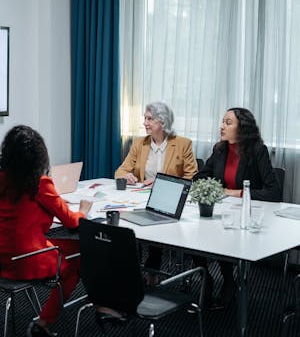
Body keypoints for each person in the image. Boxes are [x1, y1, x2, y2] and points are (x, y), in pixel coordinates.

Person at [0, 125, 92, 337]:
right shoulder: (40, 184)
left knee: (78, 247)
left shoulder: (0, 179)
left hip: (2, 256)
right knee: (76, 262)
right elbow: (72, 221)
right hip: (28, 259)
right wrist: (83, 211)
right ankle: (44, 322)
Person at [193, 107, 282, 308]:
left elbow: (274, 192)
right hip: (222, 210)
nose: (221, 126)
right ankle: (205, 277)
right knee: (193, 232)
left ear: (243, 128)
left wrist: (237, 193)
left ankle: (229, 281)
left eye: (228, 122)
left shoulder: (257, 150)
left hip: (247, 214)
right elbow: (201, 176)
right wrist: (208, 187)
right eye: (222, 121)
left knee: (223, 235)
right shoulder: (220, 149)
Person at [114, 102, 198, 281]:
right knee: (128, 227)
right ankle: (134, 271)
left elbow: (192, 178)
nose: (145, 123)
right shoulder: (140, 143)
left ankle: (153, 266)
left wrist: (162, 183)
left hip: (166, 202)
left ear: (163, 121)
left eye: (149, 119)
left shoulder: (183, 144)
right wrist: (127, 176)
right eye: (144, 118)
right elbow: (120, 171)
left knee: (154, 223)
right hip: (139, 200)